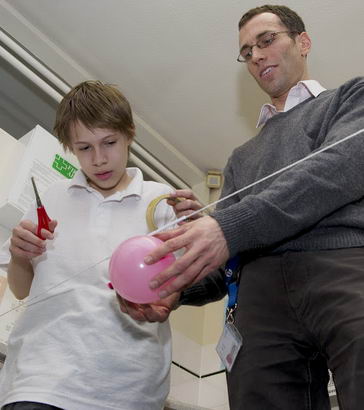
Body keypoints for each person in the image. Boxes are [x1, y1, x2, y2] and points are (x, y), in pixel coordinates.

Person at [128, 5, 364, 410]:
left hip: (342, 266)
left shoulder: (351, 97)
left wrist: (227, 226)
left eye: (267, 40)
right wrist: (174, 289)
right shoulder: (241, 158)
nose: (255, 55)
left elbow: (337, 170)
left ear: (303, 42)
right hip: (257, 296)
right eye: (246, 51)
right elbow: (225, 257)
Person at [0, 80, 181, 410]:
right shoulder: (52, 198)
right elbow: (21, 288)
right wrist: (19, 255)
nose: (99, 159)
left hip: (128, 389)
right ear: (69, 148)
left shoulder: (162, 201)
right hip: (39, 382)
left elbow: (179, 285)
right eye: (84, 148)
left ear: (129, 134)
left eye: (109, 142)